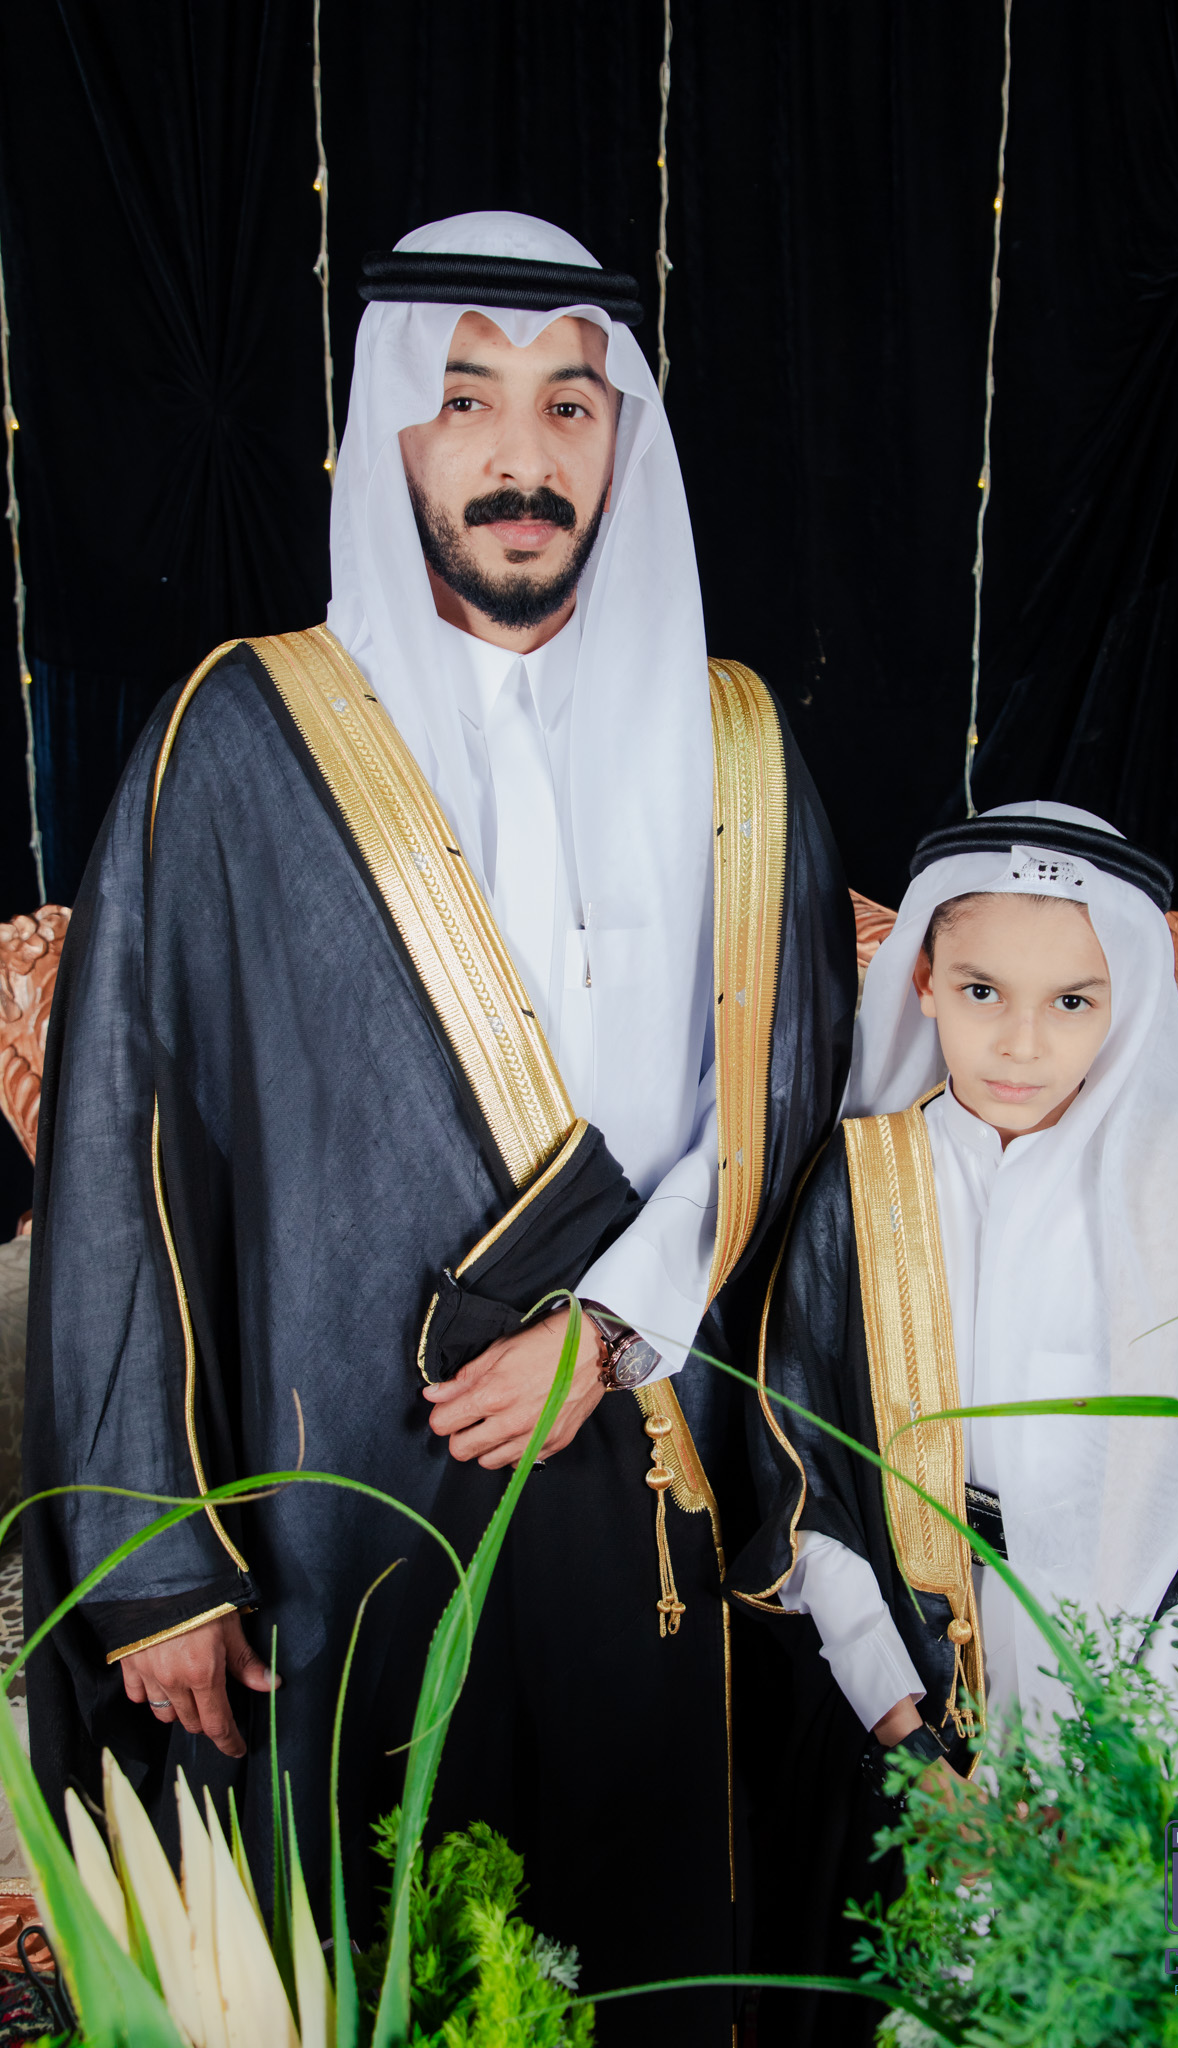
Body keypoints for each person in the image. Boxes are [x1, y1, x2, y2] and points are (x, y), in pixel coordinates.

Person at [23, 212, 856, 2041]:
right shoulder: (238, 736)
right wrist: (151, 1562)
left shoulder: (736, 747)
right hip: (338, 1475)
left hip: (643, 1445)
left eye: (570, 406)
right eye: (469, 399)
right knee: (377, 1932)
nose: (520, 455)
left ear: (620, 442)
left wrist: (610, 1326)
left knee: (643, 1950)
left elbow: (786, 1107)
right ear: (395, 428)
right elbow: (119, 1156)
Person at [730, 800, 1178, 2047]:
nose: (1022, 1041)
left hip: (1155, 1685)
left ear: (1124, 1008)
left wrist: (1132, 1763)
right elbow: (802, 1487)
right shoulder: (862, 1186)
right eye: (984, 989)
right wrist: (908, 1737)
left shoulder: (1173, 1212)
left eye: (1072, 1001)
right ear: (923, 982)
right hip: (907, 1671)